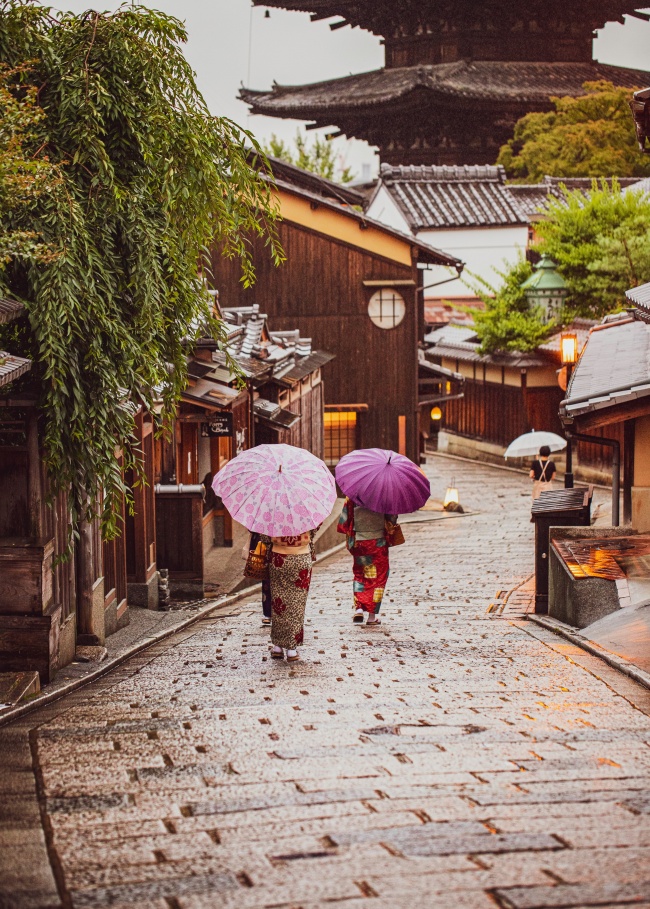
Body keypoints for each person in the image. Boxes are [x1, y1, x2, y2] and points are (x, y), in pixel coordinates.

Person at [337, 498, 398, 626]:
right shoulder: (384, 494)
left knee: (360, 574)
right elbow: (392, 517)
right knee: (379, 576)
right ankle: (371, 616)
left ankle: (359, 607)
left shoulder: (352, 495)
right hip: (378, 541)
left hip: (359, 540)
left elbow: (344, 521)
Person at [267, 529, 317, 662]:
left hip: (279, 558)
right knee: (297, 603)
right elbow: (315, 528)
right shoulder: (306, 509)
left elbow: (264, 537)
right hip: (301, 558)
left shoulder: (273, 510)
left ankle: (277, 646)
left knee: (278, 602)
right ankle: (291, 650)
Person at [246, 532, 272, 626]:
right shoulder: (262, 519)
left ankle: (275, 614)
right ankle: (268, 614)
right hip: (265, 549)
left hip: (280, 549)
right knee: (266, 582)